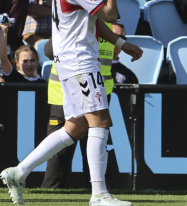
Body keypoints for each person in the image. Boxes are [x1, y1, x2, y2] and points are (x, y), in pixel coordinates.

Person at [0, 0, 143, 206]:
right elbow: (111, 13)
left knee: (75, 127)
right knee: (100, 121)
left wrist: (121, 44)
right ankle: (99, 194)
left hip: (70, 59)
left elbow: (92, 20)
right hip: (79, 60)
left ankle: (19, 171)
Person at [41, 18, 128, 189]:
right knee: (95, 148)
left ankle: (50, 190)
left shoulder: (77, 21)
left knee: (63, 151)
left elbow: (49, 50)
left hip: (71, 93)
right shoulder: (105, 25)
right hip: (87, 94)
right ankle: (101, 191)